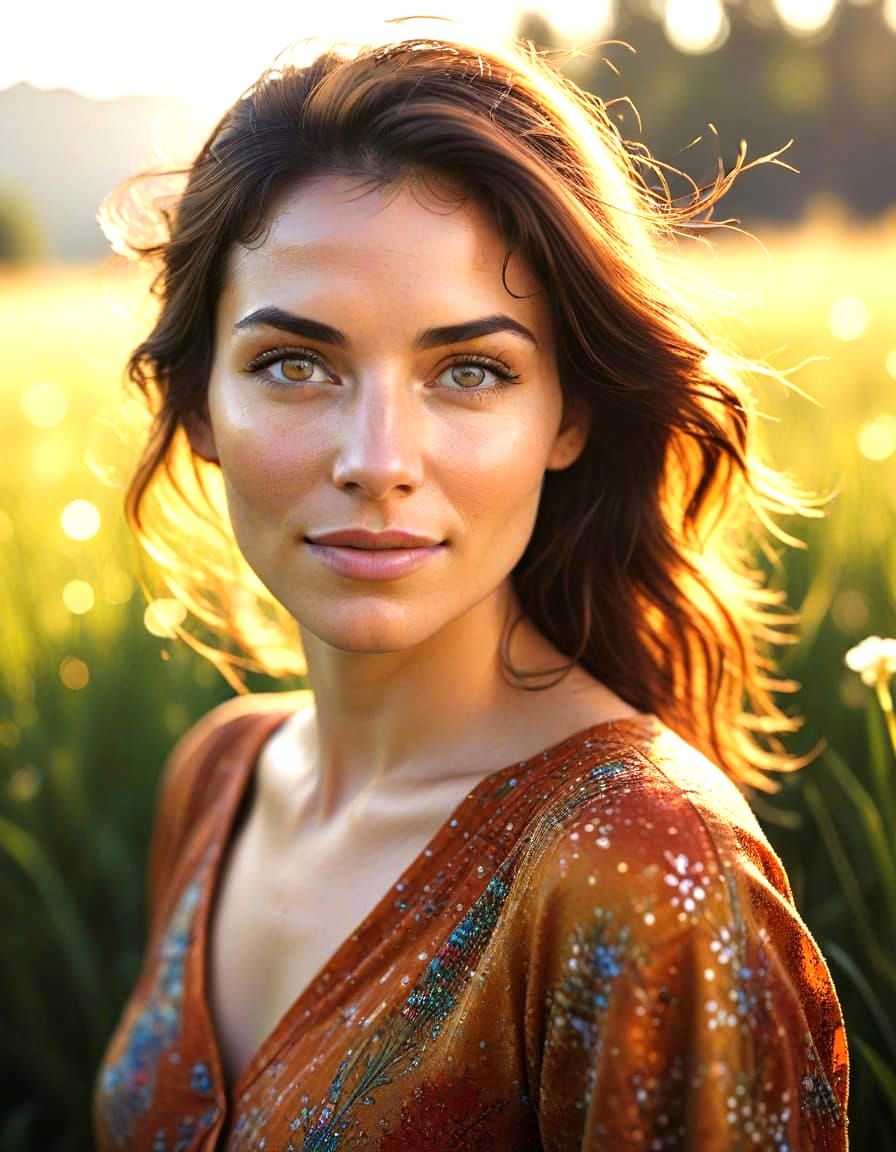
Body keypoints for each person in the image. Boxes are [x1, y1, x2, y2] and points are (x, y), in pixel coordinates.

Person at [91, 32, 849, 1151]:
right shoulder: (216, 778)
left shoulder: (641, 868)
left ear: (569, 414)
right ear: (199, 403)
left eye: (470, 370)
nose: (377, 457)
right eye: (295, 363)